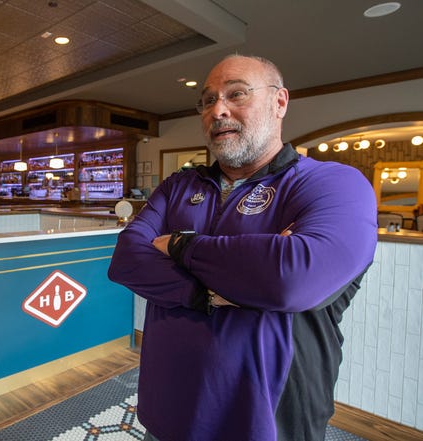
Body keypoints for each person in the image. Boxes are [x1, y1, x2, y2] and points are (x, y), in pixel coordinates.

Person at [107, 54, 377, 441]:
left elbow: (294, 278)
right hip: (168, 410)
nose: (218, 110)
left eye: (237, 94)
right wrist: (206, 292)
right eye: (207, 100)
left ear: (279, 102)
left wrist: (181, 245)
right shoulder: (178, 187)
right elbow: (126, 260)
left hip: (269, 419)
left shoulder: (335, 184)